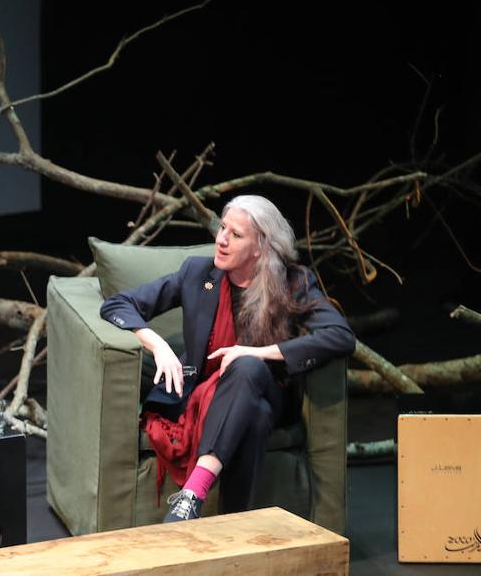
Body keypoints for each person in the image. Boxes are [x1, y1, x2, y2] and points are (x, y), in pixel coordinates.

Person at [100, 194, 355, 522]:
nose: (220, 240)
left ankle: (192, 494)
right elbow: (118, 304)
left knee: (246, 366)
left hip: (270, 389)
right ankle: (231, 527)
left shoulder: (292, 282)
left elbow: (340, 336)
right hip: (208, 394)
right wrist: (157, 344)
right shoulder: (197, 274)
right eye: (222, 228)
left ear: (260, 246)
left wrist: (255, 352)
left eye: (235, 235)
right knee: (255, 417)